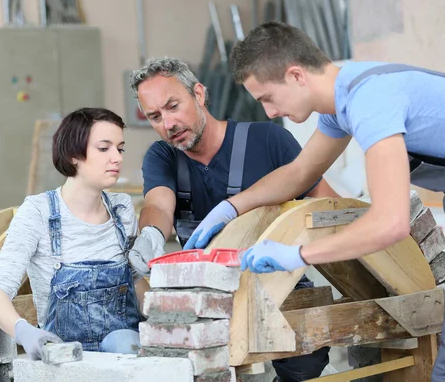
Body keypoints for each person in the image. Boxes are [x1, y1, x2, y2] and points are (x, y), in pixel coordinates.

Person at [223, 21, 445, 379]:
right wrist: (231, 207)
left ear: (295, 75)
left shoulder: (369, 100)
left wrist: (298, 254)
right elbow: (299, 173)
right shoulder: (341, 96)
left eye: (267, 98)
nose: (269, 113)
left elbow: (391, 223)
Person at [127, 57, 338, 382]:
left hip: (280, 285)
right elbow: (159, 203)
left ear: (198, 94)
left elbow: (328, 207)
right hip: (206, 297)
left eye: (173, 106)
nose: (168, 124)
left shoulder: (269, 141)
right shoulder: (163, 156)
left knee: (305, 361)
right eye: (155, 116)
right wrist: (151, 236)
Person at [0, 107, 148, 360]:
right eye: (104, 148)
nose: (116, 158)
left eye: (120, 148)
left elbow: (137, 282)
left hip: (125, 359)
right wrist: (24, 332)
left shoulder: (122, 208)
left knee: (125, 341)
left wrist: (165, 318)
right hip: (64, 359)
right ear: (73, 155)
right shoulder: (37, 212)